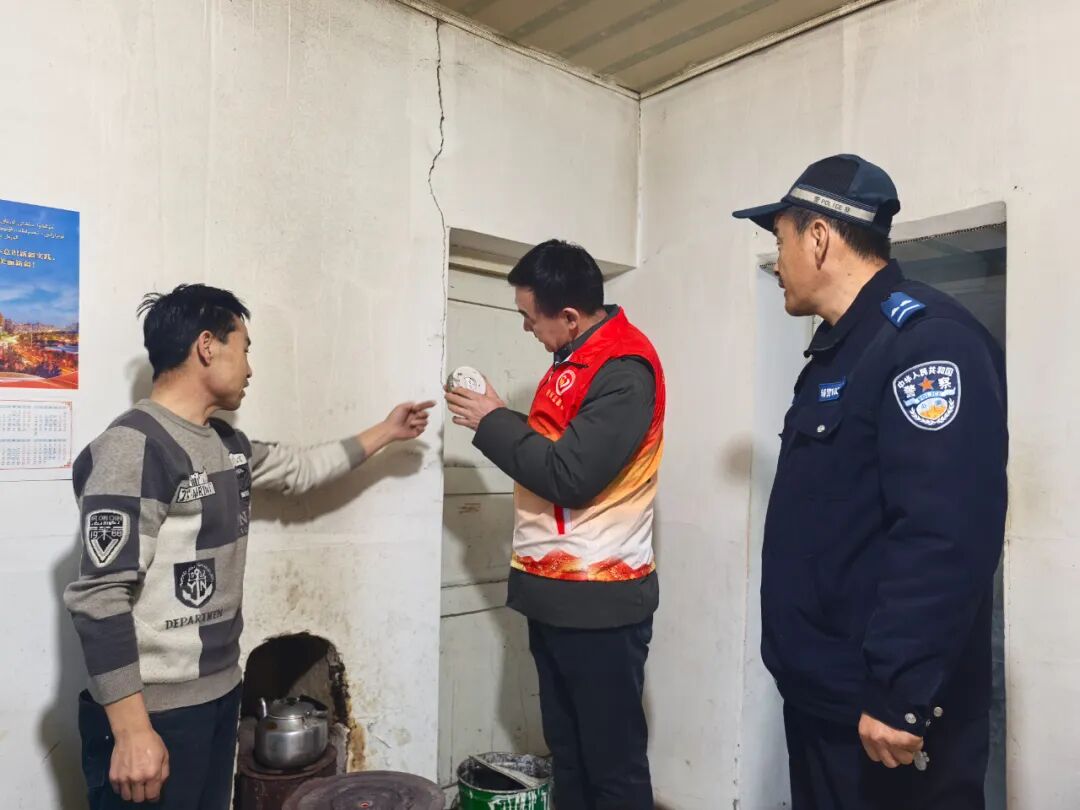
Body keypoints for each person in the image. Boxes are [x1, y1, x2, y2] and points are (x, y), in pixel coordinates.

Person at [63, 284, 434, 808]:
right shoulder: (134, 446)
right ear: (207, 346)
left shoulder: (227, 445)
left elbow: (302, 468)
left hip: (220, 695)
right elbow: (100, 596)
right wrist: (130, 730)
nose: (250, 368)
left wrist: (388, 431)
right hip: (153, 712)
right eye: (244, 348)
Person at [732, 154, 1008, 810]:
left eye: (781, 240)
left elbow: (945, 533)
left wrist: (899, 693)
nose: (777, 262)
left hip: (882, 714)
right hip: (828, 695)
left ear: (819, 237)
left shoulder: (927, 343)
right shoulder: (839, 352)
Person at [445, 239, 665, 810]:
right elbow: (561, 444)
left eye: (529, 316)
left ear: (568, 316)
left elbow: (570, 475)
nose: (525, 328)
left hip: (599, 602)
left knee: (611, 764)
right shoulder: (576, 359)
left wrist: (492, 421)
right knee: (568, 751)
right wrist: (500, 414)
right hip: (556, 594)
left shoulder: (624, 369)